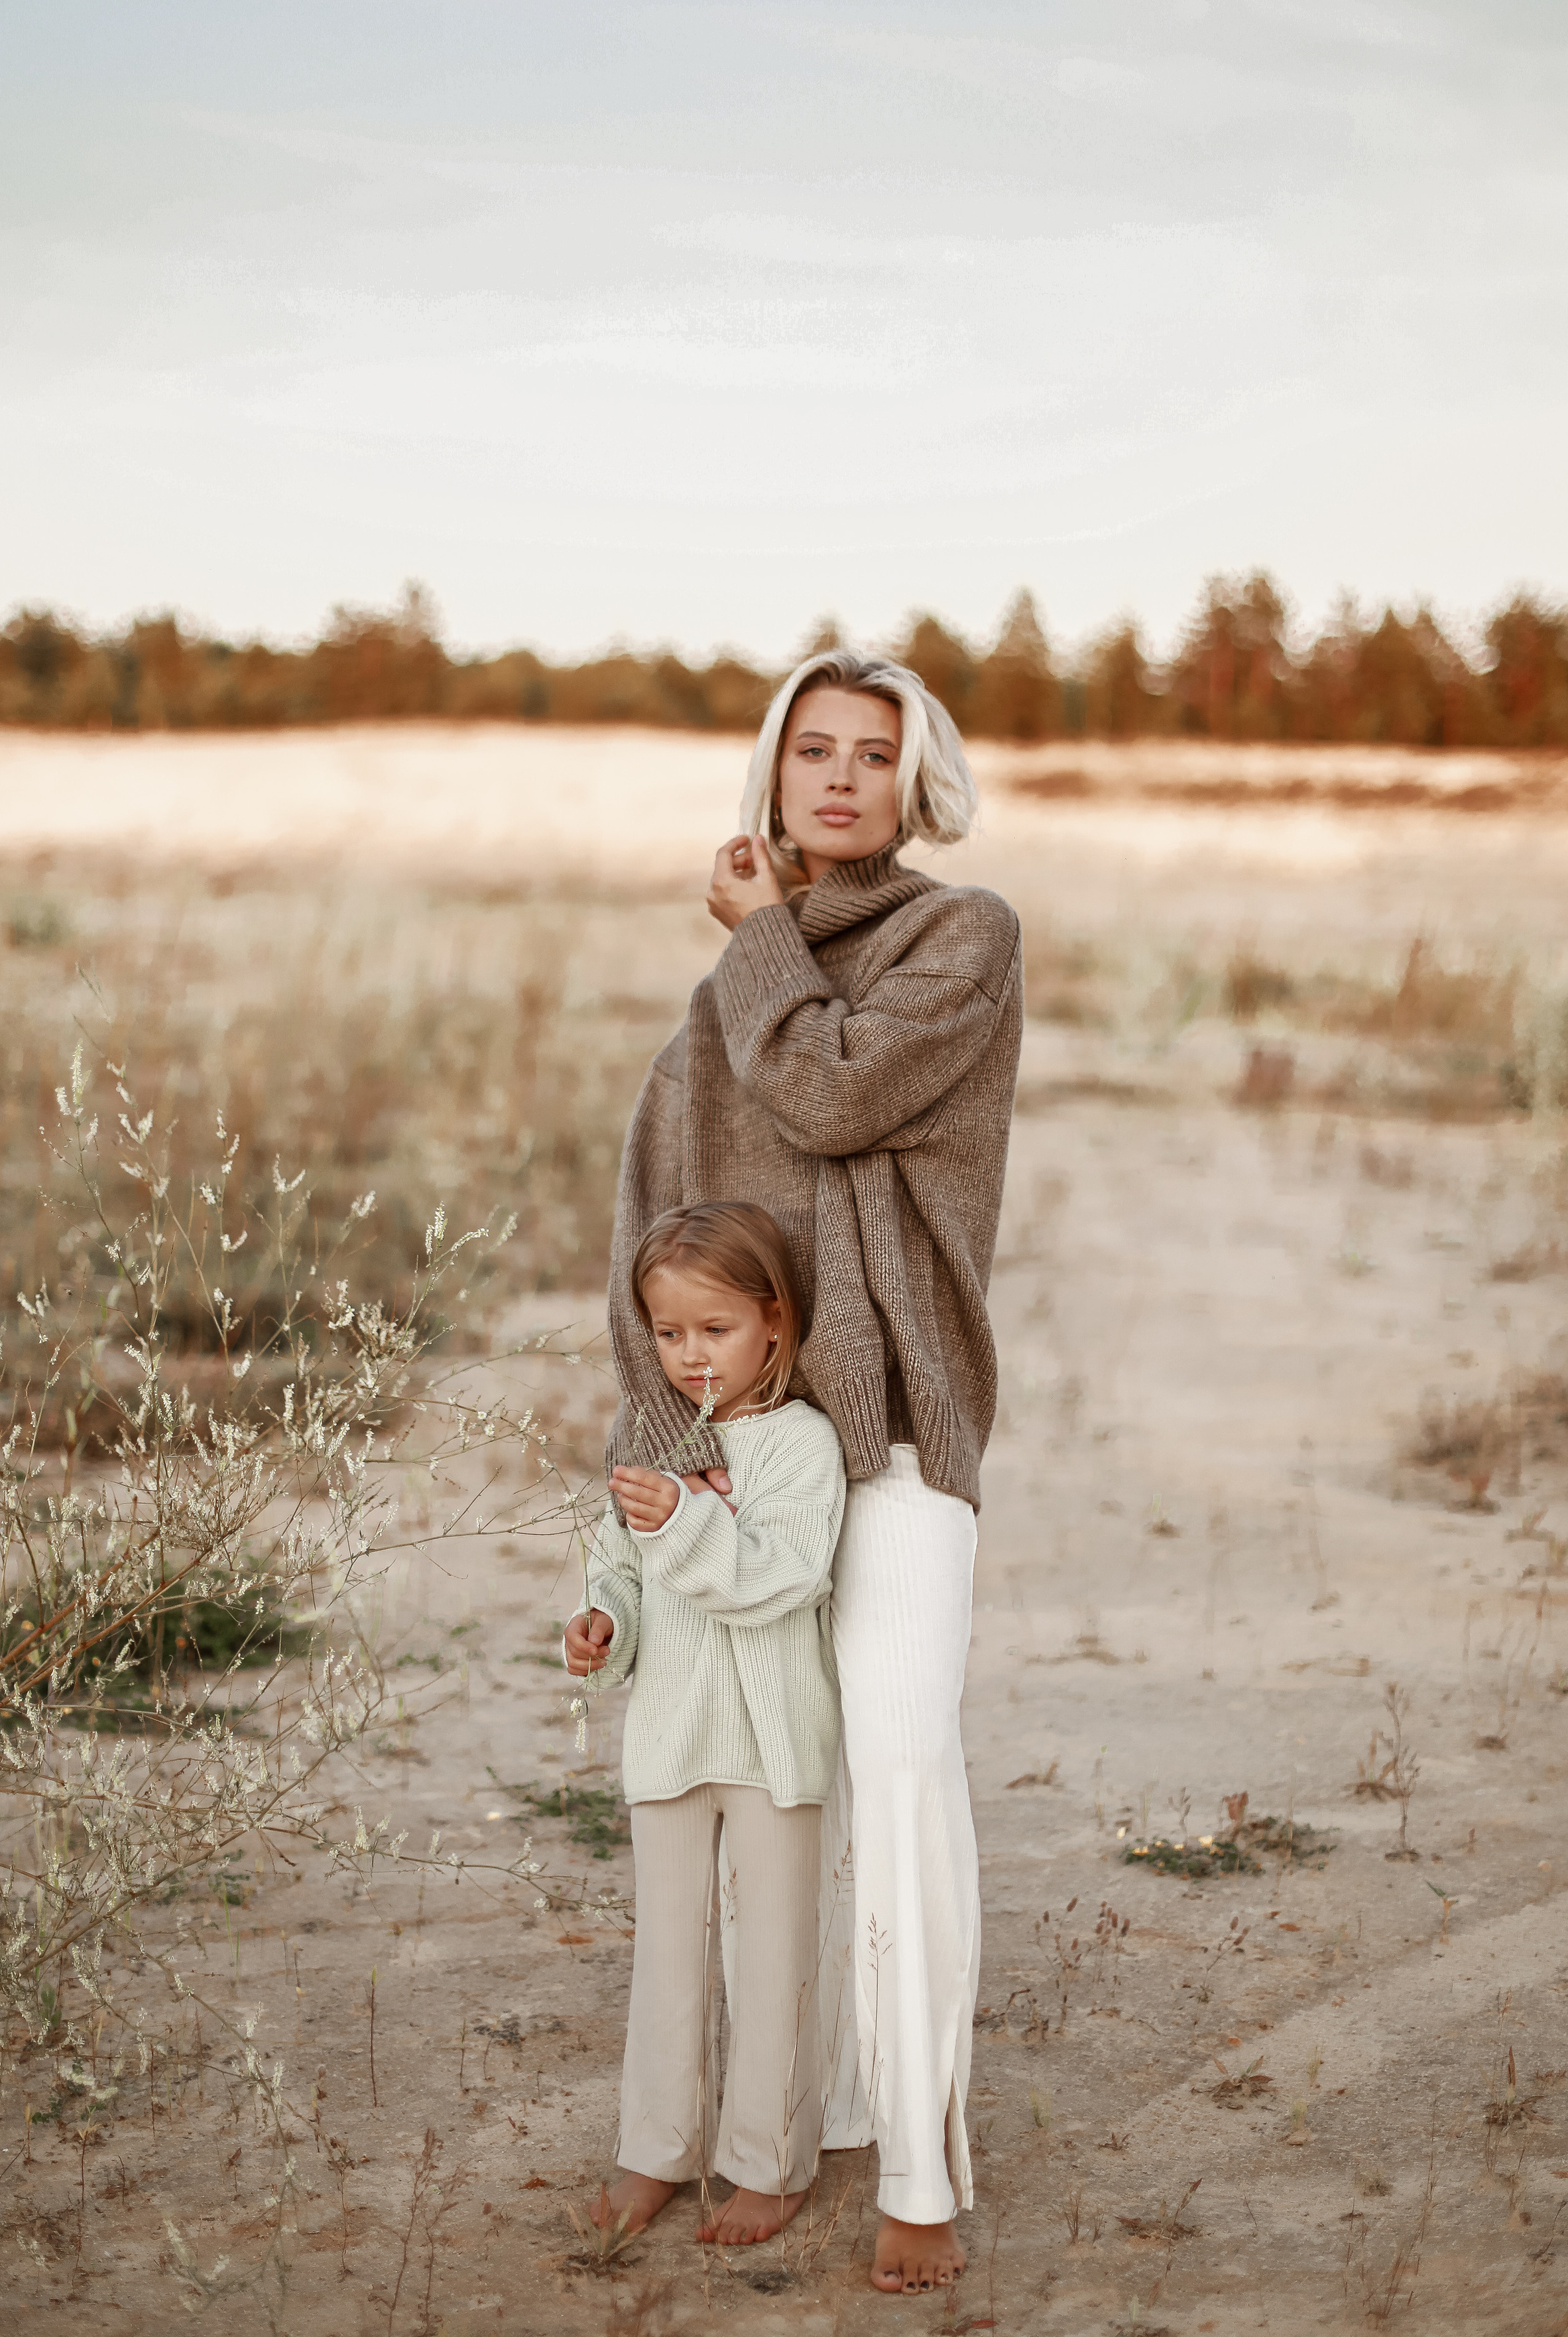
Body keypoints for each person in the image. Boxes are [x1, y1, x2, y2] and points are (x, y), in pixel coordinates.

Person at [605, 649, 1022, 2294]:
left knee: (903, 1767)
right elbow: (657, 1244)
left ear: (915, 782)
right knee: (797, 1794)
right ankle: (813, 2115)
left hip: (902, 1429)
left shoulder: (961, 938)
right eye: (810, 753)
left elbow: (834, 1092)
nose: (838, 778)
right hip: (752, 1461)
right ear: (768, 780)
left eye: (873, 754)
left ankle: (919, 2166)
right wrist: (650, 1477)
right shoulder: (721, 1003)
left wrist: (752, 935)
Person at [565, 1200, 847, 2245]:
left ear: (774, 1321)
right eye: (669, 1332)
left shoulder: (801, 1445)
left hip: (775, 1745)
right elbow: (617, 1566)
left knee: (773, 1956)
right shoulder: (650, 1437)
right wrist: (601, 1624)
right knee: (668, 1960)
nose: (690, 1355)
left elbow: (782, 1579)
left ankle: (771, 2161)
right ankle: (655, 2153)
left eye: (714, 1330)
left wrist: (686, 1518)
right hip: (674, 1733)